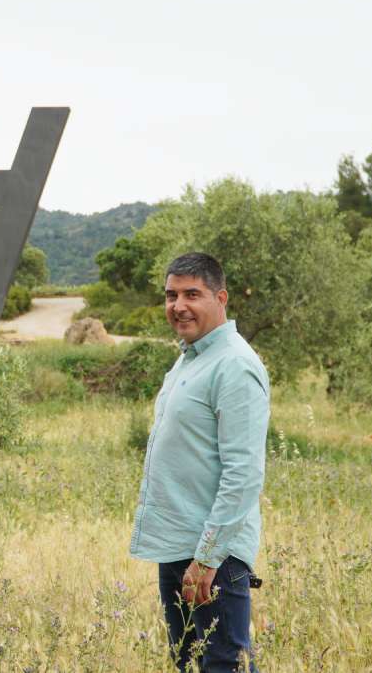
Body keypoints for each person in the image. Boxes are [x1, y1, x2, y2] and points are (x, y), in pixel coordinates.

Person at [130, 253, 269, 672]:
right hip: (178, 545)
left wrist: (207, 558)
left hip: (213, 555)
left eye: (193, 294)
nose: (178, 306)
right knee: (189, 663)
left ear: (220, 297)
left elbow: (243, 474)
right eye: (171, 295)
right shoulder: (192, 356)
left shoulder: (235, 365)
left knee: (224, 664)